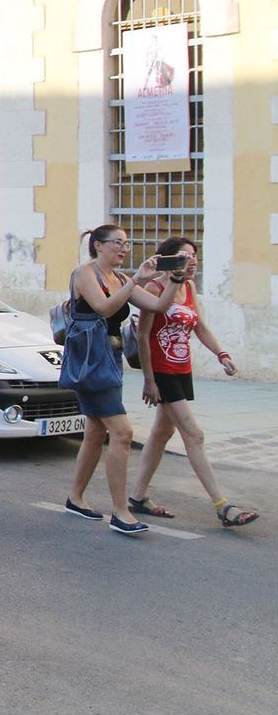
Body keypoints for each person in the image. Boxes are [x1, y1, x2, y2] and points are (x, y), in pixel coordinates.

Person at [126, 238, 259, 528]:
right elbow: (142, 336)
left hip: (181, 369)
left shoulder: (189, 288)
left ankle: (136, 497)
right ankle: (223, 506)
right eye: (184, 256)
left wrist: (221, 354)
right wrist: (149, 380)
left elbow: (198, 324)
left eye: (194, 255)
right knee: (194, 435)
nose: (192, 260)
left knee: (161, 433)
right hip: (161, 371)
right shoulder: (154, 289)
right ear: (167, 260)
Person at [60, 225, 169, 535]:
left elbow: (157, 305)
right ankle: (121, 512)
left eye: (127, 244)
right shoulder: (85, 273)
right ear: (98, 245)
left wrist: (173, 280)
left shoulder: (120, 279)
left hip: (110, 360)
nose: (124, 249)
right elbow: (104, 307)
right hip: (90, 361)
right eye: (118, 243)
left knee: (95, 430)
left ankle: (75, 497)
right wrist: (136, 279)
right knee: (121, 432)